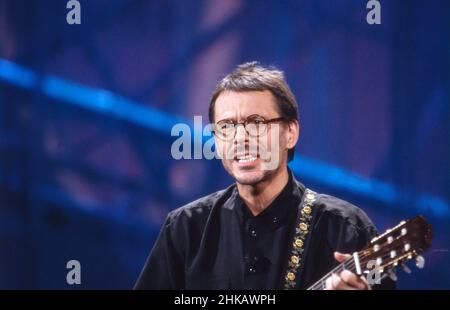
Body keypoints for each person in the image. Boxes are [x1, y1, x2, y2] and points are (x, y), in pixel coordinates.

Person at [135, 62, 394, 290]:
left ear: (290, 133)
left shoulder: (345, 229)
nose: (241, 138)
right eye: (226, 127)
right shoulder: (185, 229)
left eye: (256, 123)